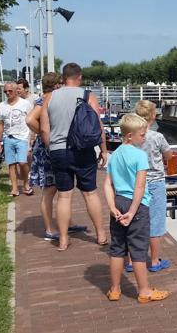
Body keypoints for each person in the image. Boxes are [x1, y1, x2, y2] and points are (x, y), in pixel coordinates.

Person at [41, 63, 109, 251]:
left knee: (64, 196)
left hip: (58, 151)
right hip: (82, 150)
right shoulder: (87, 95)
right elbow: (97, 127)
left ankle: (63, 239)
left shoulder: (49, 97)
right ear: (79, 77)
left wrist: (52, 148)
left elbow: (44, 129)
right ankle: (101, 235)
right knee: (90, 193)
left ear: (63, 78)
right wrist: (103, 150)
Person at [103, 113, 170, 303]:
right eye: (142, 134)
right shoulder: (140, 156)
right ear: (130, 136)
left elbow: (108, 184)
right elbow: (140, 187)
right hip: (137, 206)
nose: (145, 137)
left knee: (117, 249)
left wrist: (111, 207)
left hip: (118, 202)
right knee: (138, 250)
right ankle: (144, 291)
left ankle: (115, 290)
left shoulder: (114, 155)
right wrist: (132, 212)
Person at [26, 73, 86, 241]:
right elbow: (30, 119)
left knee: (63, 189)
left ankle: (67, 223)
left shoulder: (51, 98)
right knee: (50, 190)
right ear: (56, 85)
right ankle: (50, 229)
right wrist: (45, 133)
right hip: (48, 148)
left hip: (52, 146)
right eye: (61, 83)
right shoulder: (46, 99)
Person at [132, 100, 173, 273]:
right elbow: (168, 155)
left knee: (134, 223)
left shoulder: (132, 137)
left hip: (136, 183)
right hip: (155, 182)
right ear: (153, 117)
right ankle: (155, 261)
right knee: (155, 223)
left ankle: (130, 261)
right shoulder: (157, 137)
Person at [0, 82, 33, 197]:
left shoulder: (25, 104)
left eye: (10, 91)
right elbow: (0, 123)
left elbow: (32, 119)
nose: (7, 93)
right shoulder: (2, 105)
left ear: (16, 91)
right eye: (5, 91)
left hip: (22, 137)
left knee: (22, 162)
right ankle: (14, 188)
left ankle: (26, 184)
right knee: (11, 164)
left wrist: (33, 136)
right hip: (8, 137)